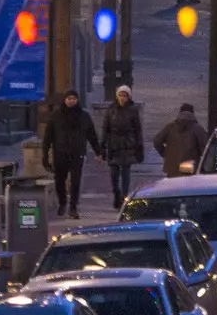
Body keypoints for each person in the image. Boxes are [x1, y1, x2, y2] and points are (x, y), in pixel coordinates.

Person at [41, 90, 102, 218]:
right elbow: (47, 137)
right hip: (60, 152)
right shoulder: (56, 116)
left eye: (73, 98)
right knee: (60, 180)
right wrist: (45, 156)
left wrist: (98, 152)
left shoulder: (84, 116)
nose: (71, 101)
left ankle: (73, 207)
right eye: (69, 98)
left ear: (77, 100)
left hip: (77, 153)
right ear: (64, 100)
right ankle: (63, 202)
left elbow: (92, 135)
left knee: (75, 181)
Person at [100, 86, 144, 207]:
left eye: (125, 96)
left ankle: (124, 197)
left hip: (127, 145)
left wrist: (139, 147)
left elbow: (138, 130)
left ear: (128, 97)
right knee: (114, 174)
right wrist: (102, 146)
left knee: (126, 173)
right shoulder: (111, 109)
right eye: (120, 95)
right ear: (117, 96)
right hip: (113, 145)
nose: (122, 98)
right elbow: (105, 128)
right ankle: (116, 193)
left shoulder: (133, 110)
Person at [153, 102, 209, 178]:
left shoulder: (170, 127)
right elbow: (205, 148)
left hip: (172, 167)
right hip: (189, 168)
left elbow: (156, 141)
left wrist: (165, 154)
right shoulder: (198, 129)